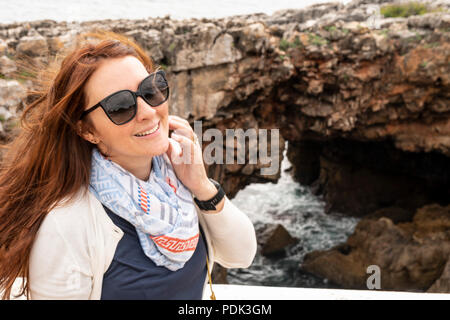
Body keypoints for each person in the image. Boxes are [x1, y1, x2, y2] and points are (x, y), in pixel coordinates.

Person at [0, 31, 256, 300]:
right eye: (120, 106)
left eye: (150, 89)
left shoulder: (176, 184)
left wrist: (203, 187)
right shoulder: (67, 226)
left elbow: (241, 255)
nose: (148, 111)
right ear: (87, 130)